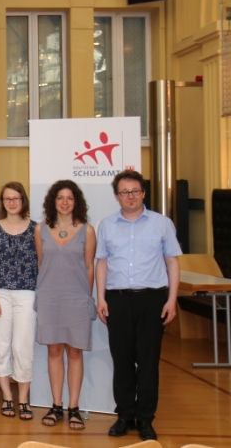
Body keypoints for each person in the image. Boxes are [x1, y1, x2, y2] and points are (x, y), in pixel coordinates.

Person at [96, 170, 181, 441]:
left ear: (143, 193)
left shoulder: (162, 223)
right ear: (116, 196)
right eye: (124, 192)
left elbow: (172, 262)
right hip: (117, 300)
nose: (130, 196)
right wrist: (100, 298)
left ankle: (145, 418)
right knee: (122, 361)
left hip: (152, 300)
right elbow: (102, 262)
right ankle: (124, 416)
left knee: (148, 362)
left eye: (135, 191)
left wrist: (172, 300)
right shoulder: (106, 225)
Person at [34, 180, 96, 430]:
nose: (65, 202)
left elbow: (89, 266)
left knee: (75, 352)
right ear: (53, 201)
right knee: (54, 351)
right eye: (60, 197)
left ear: (76, 202)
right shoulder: (40, 229)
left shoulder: (87, 230)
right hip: (49, 297)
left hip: (76, 299)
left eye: (70, 198)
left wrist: (86, 297)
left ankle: (74, 408)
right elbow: (42, 264)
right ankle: (56, 406)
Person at [0, 182, 37, 421]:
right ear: (2, 202)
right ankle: (7, 396)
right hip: (1, 294)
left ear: (23, 200)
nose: (12, 202)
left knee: (22, 347)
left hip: (28, 293)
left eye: (16, 198)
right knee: (2, 345)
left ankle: (23, 399)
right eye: (7, 199)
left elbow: (42, 263)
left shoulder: (36, 228)